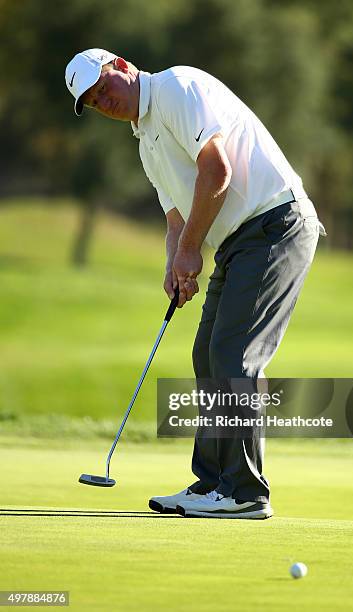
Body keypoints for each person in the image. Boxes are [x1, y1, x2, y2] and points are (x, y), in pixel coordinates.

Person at [65, 48, 325, 520]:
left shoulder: (175, 87)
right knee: (207, 352)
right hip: (238, 241)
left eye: (104, 88)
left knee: (233, 356)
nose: (105, 102)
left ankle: (245, 492)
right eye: (95, 102)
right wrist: (175, 261)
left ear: (122, 66)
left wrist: (190, 250)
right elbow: (175, 218)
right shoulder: (145, 139)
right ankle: (213, 484)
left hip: (275, 224)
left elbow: (217, 169)